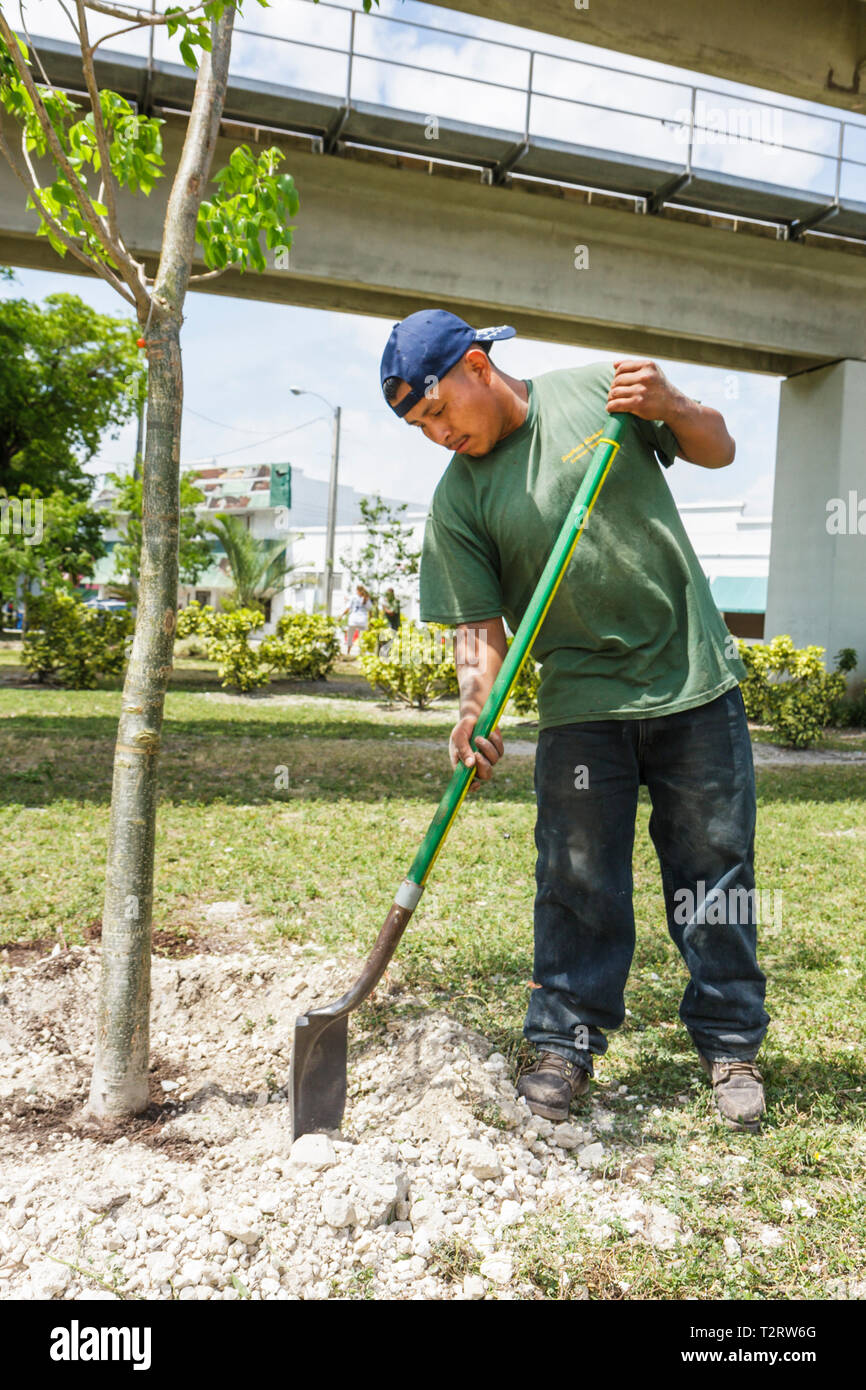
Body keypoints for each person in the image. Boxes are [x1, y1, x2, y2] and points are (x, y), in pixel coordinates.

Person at [379, 308, 769, 1133]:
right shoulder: (459, 503)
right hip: (583, 705)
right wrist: (471, 708)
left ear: (478, 367)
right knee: (576, 877)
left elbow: (719, 447)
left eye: (439, 410)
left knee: (716, 871)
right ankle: (563, 1042)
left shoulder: (603, 394)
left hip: (693, 678)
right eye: (420, 426)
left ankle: (731, 1042)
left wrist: (671, 404)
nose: (436, 434)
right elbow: (481, 633)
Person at [342, 583, 371, 654]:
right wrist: (371, 620)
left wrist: (341, 616)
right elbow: (370, 610)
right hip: (363, 620)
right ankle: (362, 653)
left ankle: (348, 652)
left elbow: (347, 608)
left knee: (350, 636)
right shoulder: (367, 598)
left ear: (357, 590)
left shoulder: (353, 597)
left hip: (353, 619)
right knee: (363, 637)